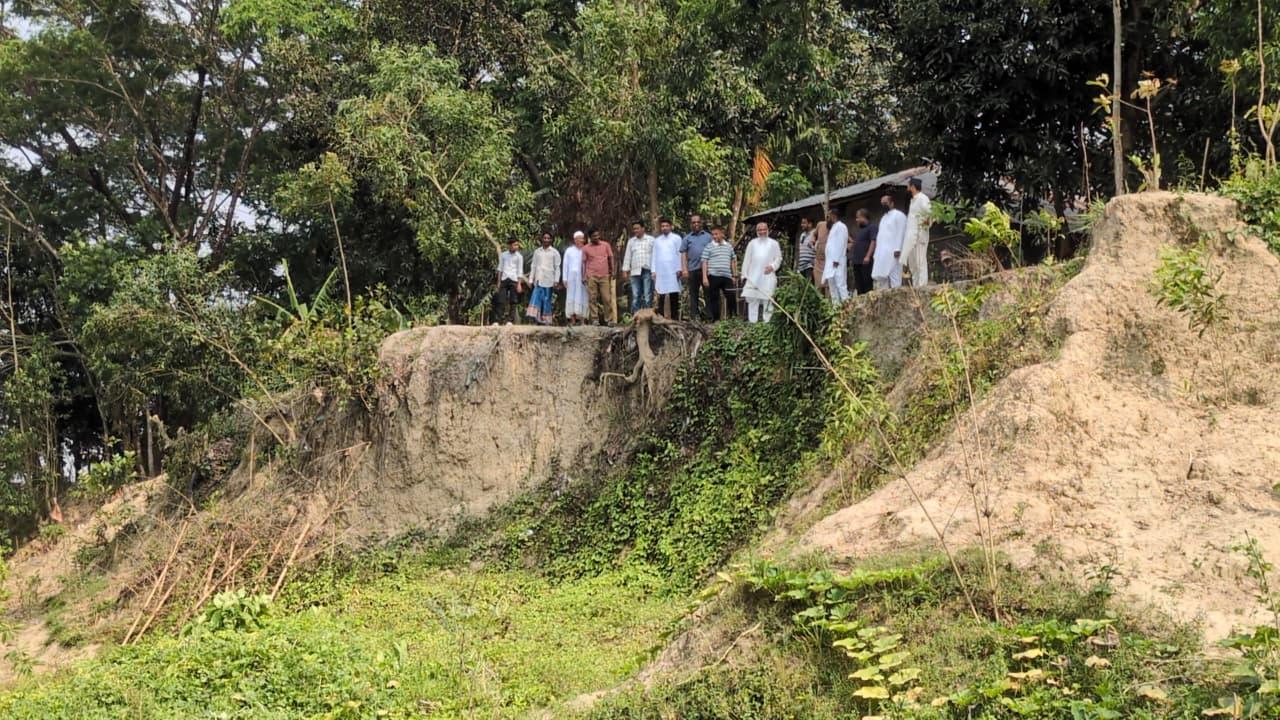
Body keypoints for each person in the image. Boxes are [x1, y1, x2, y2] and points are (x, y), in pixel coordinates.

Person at [740, 221, 782, 323]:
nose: (762, 232)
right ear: (756, 231)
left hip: (768, 276)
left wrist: (772, 266)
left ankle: (767, 323)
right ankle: (753, 322)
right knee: (753, 299)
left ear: (767, 230)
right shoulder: (752, 243)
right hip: (753, 276)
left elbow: (779, 258)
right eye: (759, 230)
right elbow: (747, 260)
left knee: (768, 299)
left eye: (764, 229)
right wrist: (744, 275)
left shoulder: (774, 243)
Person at [700, 225, 738, 321]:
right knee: (714, 298)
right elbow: (704, 262)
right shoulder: (709, 247)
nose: (714, 236)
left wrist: (734, 275)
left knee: (731, 296)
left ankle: (732, 317)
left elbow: (733, 260)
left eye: (716, 234)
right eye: (713, 234)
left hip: (727, 276)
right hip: (713, 275)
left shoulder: (728, 246)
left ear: (722, 234)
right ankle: (715, 319)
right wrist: (705, 277)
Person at [679, 214, 712, 320]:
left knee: (708, 293)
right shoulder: (687, 238)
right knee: (693, 294)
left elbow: (713, 251)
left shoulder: (708, 237)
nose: (696, 224)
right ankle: (695, 317)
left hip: (706, 271)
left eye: (698, 222)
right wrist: (684, 269)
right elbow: (683, 254)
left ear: (701, 223)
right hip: (692, 270)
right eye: (694, 222)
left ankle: (710, 316)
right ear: (691, 224)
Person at [901, 177, 933, 287]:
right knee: (913, 263)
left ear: (912, 187)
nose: (907, 188)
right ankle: (915, 285)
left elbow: (930, 214)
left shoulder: (922, 198)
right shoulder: (913, 200)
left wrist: (925, 224)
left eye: (908, 185)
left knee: (920, 261)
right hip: (911, 236)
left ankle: (922, 285)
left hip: (920, 235)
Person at [582, 228, 616, 325]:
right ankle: (595, 319)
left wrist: (612, 270)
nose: (597, 237)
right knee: (592, 298)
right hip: (591, 275)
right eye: (594, 236)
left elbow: (611, 258)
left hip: (604, 275)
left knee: (606, 298)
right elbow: (583, 263)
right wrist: (584, 276)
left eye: (598, 235)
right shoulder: (586, 248)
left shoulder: (605, 245)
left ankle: (609, 319)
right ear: (590, 237)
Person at [525, 232, 561, 325]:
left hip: (549, 279)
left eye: (548, 238)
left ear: (551, 240)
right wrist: (530, 279)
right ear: (542, 239)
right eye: (544, 238)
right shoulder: (537, 251)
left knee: (546, 299)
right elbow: (533, 266)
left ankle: (546, 320)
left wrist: (556, 280)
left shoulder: (554, 252)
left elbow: (557, 267)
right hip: (538, 279)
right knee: (536, 298)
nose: (546, 240)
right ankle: (535, 320)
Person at [620, 220, 654, 315]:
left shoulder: (651, 240)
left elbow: (655, 256)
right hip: (635, 272)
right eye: (634, 229)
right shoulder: (631, 241)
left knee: (647, 295)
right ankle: (635, 317)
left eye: (637, 228)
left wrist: (655, 270)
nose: (635, 230)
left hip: (647, 270)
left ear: (643, 228)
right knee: (635, 295)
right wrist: (625, 270)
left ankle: (647, 317)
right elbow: (627, 256)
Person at [872, 194, 905, 290]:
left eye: (885, 203)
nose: (883, 205)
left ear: (892, 203)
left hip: (894, 251)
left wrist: (898, 248)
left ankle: (897, 295)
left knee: (895, 276)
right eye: (882, 203)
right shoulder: (883, 218)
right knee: (881, 276)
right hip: (882, 253)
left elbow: (901, 232)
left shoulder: (899, 215)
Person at [653, 217, 682, 319]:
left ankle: (675, 317)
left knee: (674, 294)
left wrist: (679, 268)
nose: (664, 228)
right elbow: (654, 256)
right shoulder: (657, 241)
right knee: (661, 294)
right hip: (661, 271)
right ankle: (661, 316)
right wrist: (653, 270)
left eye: (666, 226)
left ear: (671, 227)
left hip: (673, 270)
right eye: (662, 226)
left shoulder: (677, 238)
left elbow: (680, 254)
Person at [822, 207, 850, 306]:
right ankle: (836, 309)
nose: (827, 218)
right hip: (830, 263)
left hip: (837, 261)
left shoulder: (841, 227)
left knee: (841, 285)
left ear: (834, 216)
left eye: (828, 216)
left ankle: (847, 307)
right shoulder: (833, 227)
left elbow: (842, 243)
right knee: (832, 287)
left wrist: (836, 259)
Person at [493, 239, 524, 324]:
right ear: (510, 245)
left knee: (513, 301)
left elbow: (520, 271)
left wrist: (519, 284)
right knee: (500, 300)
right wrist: (498, 282)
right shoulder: (503, 255)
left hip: (514, 279)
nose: (516, 247)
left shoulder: (519, 257)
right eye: (514, 245)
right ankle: (498, 320)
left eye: (517, 245)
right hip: (504, 278)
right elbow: (500, 269)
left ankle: (510, 320)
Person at [562, 231, 589, 325]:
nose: (581, 240)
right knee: (571, 297)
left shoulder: (586, 249)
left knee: (583, 297)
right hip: (571, 278)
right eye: (579, 238)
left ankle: (582, 321)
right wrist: (564, 279)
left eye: (582, 238)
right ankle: (573, 320)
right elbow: (565, 265)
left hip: (583, 278)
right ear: (575, 240)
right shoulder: (569, 251)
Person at [851, 209, 877, 295]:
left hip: (865, 262)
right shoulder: (860, 230)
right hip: (857, 262)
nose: (856, 220)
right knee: (859, 287)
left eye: (858, 217)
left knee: (867, 286)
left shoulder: (872, 227)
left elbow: (873, 241)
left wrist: (868, 256)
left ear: (863, 217)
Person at [795, 216, 818, 285]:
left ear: (810, 224)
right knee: (802, 287)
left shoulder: (815, 233)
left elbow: (817, 248)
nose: (802, 225)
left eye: (804, 223)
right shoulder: (802, 235)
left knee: (809, 286)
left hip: (810, 265)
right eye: (802, 223)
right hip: (801, 266)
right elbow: (800, 250)